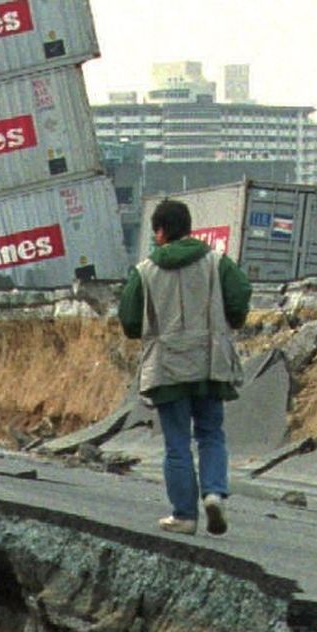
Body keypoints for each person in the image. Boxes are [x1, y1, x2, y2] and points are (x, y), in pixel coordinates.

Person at [118, 197, 251, 535]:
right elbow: (239, 295)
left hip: (167, 368)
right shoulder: (217, 262)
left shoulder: (144, 271)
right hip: (210, 363)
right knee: (211, 434)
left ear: (160, 231)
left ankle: (184, 515)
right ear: (189, 228)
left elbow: (130, 321)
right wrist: (229, 321)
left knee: (176, 443)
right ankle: (213, 493)